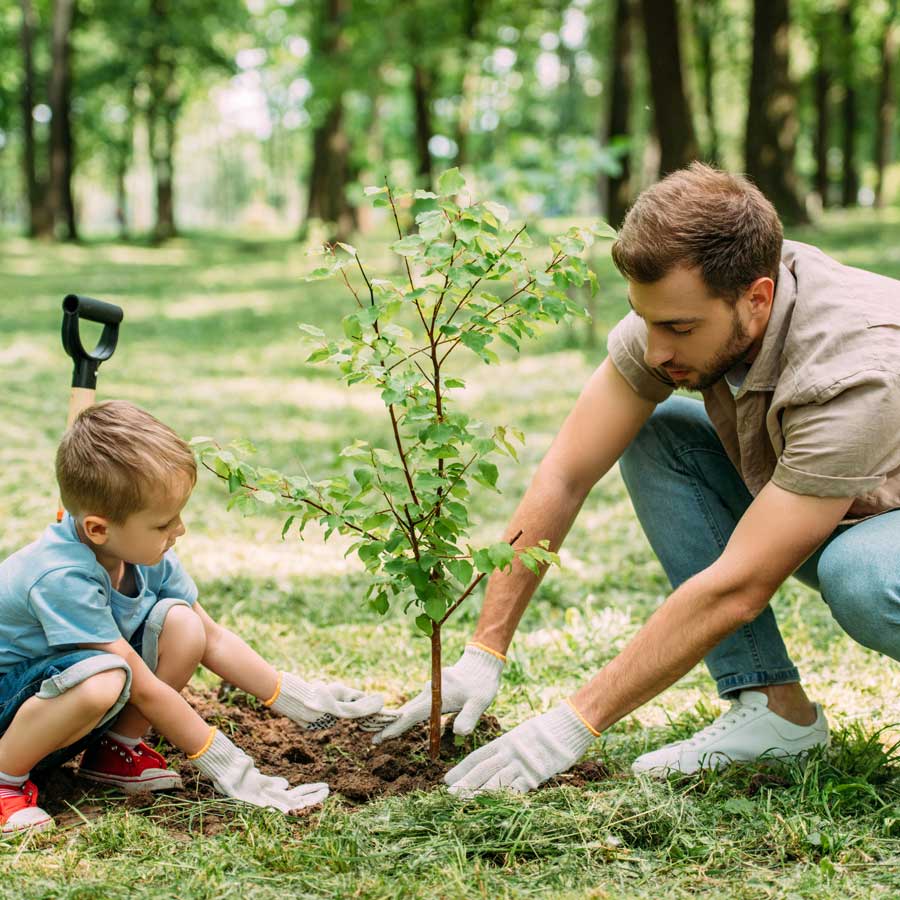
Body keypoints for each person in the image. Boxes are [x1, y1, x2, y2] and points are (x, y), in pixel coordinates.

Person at [374, 163, 900, 795]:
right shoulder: (686, 309)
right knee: (661, 431)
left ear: (757, 299)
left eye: (678, 329)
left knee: (864, 578)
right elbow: (567, 472)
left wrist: (569, 726)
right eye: (646, 320)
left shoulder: (855, 366)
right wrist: (483, 652)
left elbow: (739, 588)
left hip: (878, 531)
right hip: (841, 502)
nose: (654, 350)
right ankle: (773, 712)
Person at [0, 400, 388, 833]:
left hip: (52, 699)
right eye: (165, 522)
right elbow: (143, 688)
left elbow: (212, 637)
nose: (179, 530)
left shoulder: (140, 551)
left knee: (183, 625)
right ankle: (4, 780)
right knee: (104, 679)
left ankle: (115, 751)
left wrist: (301, 700)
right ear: (98, 529)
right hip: (9, 706)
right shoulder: (61, 576)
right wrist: (231, 767)